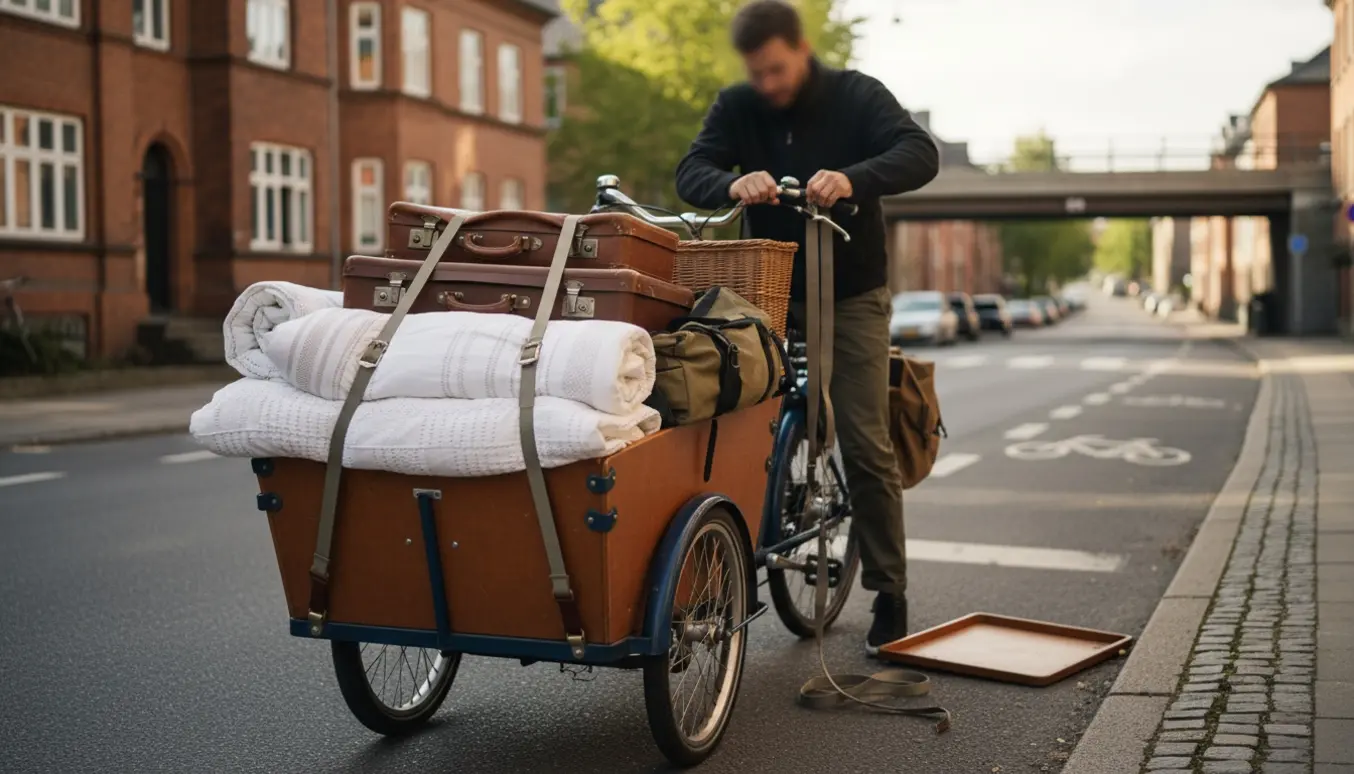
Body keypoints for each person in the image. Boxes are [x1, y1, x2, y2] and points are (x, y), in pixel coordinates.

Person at [674, 0, 940, 655]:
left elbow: (919, 154)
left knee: (861, 434)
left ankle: (889, 590)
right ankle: (730, 550)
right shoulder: (737, 107)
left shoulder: (856, 96)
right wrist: (734, 183)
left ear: (800, 48)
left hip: (850, 291)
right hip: (768, 291)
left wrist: (852, 178)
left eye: (777, 69)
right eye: (757, 73)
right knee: (728, 413)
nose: (768, 84)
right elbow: (691, 173)